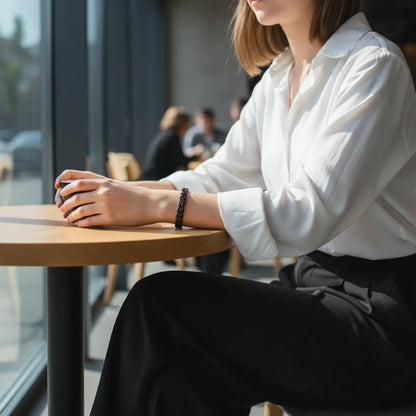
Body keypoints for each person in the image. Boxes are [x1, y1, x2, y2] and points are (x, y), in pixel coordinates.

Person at [55, 0, 416, 414]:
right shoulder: (279, 77)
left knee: (159, 305)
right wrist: (127, 192)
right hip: (311, 287)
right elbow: (223, 173)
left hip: (382, 319)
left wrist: (156, 203)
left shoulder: (374, 64)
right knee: (176, 376)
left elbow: (308, 210)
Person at [141, 106, 202, 180]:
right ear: (183, 124)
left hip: (151, 176)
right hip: (158, 179)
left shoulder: (164, 135)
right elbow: (181, 163)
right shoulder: (172, 138)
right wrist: (194, 155)